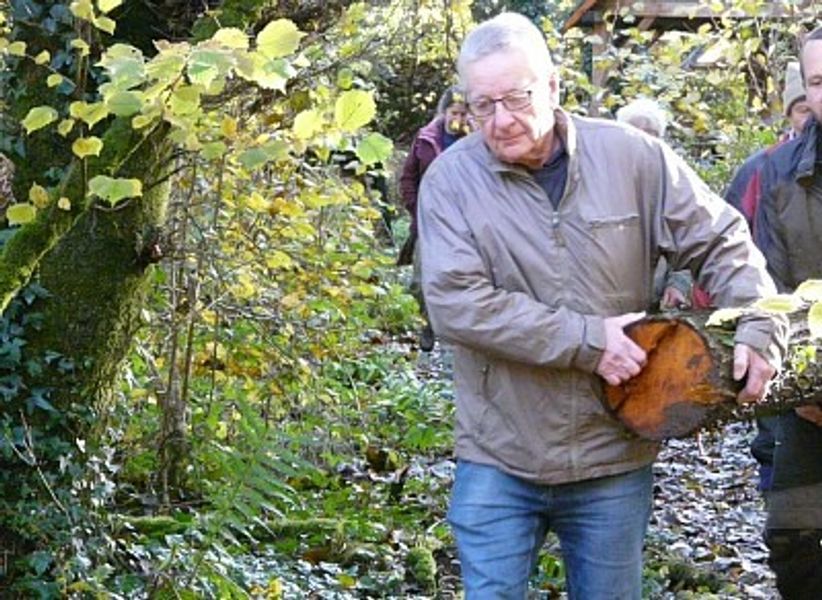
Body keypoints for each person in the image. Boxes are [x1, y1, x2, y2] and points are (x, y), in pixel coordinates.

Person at [417, 12, 786, 598]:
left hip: (611, 455)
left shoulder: (634, 158)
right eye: (482, 106)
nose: (501, 121)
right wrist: (589, 342)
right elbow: (457, 304)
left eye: (516, 98)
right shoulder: (450, 183)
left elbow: (722, 239)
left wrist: (759, 324)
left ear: (555, 87)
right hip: (500, 453)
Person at [755, 27, 822, 599]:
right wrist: (801, 388)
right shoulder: (780, 172)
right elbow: (767, 285)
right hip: (809, 403)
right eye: (819, 81)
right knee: (795, 540)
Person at [398, 85, 471, 352]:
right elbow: (408, 178)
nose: (459, 119)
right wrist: (416, 208)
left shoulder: (476, 141)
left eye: (464, 114)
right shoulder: (427, 138)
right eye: (454, 112)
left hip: (463, 224)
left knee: (461, 277)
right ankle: (425, 327)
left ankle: (458, 331)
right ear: (444, 112)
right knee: (420, 280)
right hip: (427, 223)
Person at [616, 99, 707, 310]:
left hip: (657, 304)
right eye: (634, 131)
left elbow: (689, 239)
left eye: (650, 133)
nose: (643, 139)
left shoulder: (673, 182)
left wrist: (678, 285)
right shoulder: (603, 178)